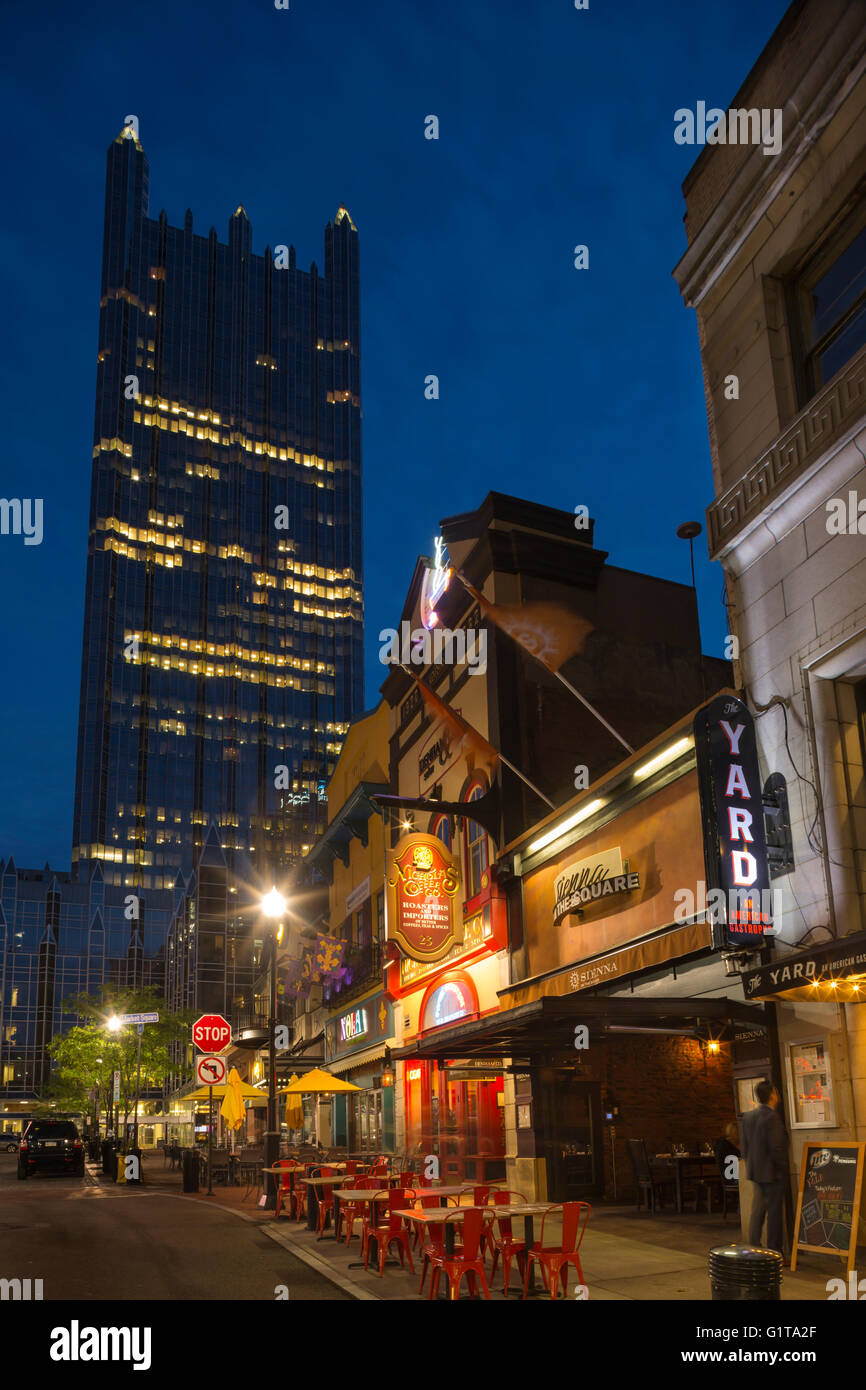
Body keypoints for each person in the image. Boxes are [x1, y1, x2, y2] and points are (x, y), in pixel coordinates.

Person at [741, 1081, 788, 1255]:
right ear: (773, 1095)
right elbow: (776, 1147)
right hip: (772, 1172)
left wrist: (751, 1164)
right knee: (774, 1214)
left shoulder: (748, 1116)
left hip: (755, 1171)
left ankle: (753, 1247)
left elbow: (744, 1146)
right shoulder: (772, 1117)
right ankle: (775, 1251)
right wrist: (783, 1167)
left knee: (757, 1211)